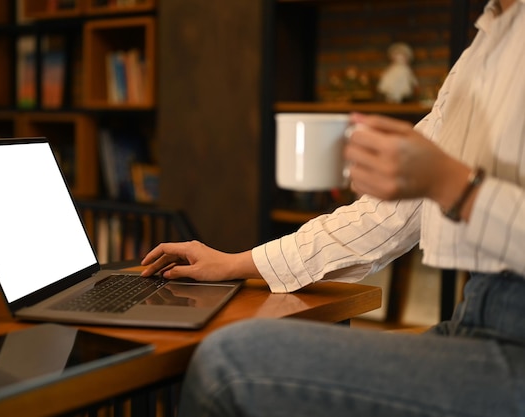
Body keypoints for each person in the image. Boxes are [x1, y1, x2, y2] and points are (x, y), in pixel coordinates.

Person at [140, 0, 525, 415]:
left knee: (228, 364)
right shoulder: (483, 47)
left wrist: (451, 185)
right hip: (474, 321)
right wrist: (235, 264)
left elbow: (442, 181)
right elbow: (384, 217)